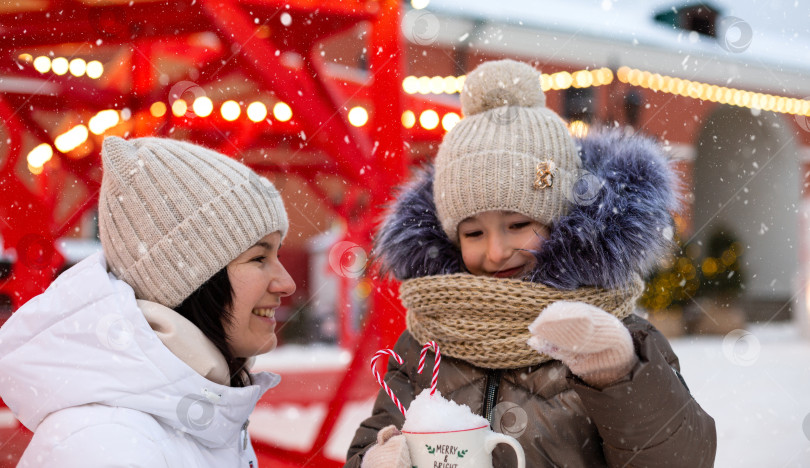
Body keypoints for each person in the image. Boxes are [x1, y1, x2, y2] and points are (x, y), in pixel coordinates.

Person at [346, 60, 716, 467]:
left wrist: (620, 376)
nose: (496, 251)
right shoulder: (426, 340)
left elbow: (682, 459)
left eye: (518, 224)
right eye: (473, 233)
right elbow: (372, 440)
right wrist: (376, 460)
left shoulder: (613, 335)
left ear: (560, 221)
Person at [0, 136, 296, 467]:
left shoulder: (194, 416)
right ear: (189, 278)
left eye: (278, 253)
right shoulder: (105, 448)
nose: (287, 283)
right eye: (258, 258)